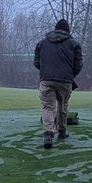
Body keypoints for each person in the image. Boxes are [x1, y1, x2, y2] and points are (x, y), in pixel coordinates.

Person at [34, 19, 83, 149]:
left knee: (47, 107)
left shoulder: (42, 43)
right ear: (67, 31)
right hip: (65, 81)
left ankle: (49, 133)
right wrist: (70, 74)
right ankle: (62, 130)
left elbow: (36, 62)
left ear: (55, 29)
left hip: (46, 79)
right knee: (63, 105)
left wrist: (46, 71)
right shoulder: (74, 44)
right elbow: (78, 65)